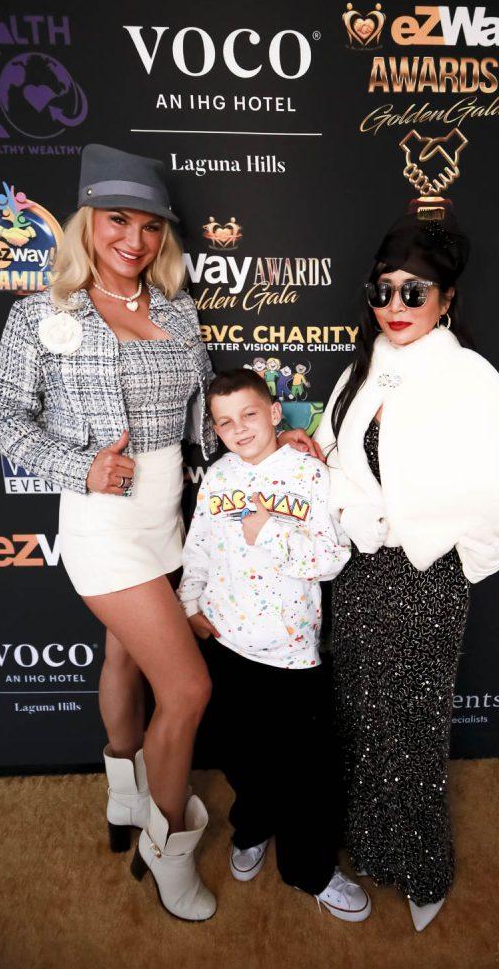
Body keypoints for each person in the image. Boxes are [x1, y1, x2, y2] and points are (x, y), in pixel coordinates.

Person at [0, 144, 320, 923]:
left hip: (171, 518)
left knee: (124, 657)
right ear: (87, 224)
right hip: (103, 526)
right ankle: (167, 852)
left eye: (149, 226)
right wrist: (79, 466)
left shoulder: (175, 309)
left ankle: (123, 797)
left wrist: (276, 445)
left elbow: (205, 419)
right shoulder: (40, 313)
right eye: (116, 221)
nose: (133, 240)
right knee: (189, 687)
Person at [313, 199, 499, 932]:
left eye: (413, 292)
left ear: (446, 300)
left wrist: (437, 532)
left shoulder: (471, 377)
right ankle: (369, 843)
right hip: (359, 573)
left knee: (412, 725)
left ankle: (422, 864)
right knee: (359, 712)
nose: (395, 305)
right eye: (382, 290)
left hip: (426, 577)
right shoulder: (362, 370)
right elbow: (332, 457)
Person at [178, 368, 372, 922]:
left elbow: (332, 559)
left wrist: (270, 531)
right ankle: (252, 827)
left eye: (248, 415)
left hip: (291, 654)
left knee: (305, 773)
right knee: (244, 756)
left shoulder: (309, 474)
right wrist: (189, 605)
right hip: (227, 644)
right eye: (224, 422)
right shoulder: (218, 477)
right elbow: (199, 547)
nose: (239, 429)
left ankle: (312, 869)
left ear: (273, 413)